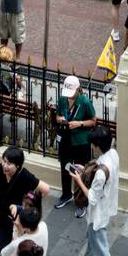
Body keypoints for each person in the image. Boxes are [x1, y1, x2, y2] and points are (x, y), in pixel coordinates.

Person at [0, 147, 50, 256]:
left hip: (18, 222)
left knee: (14, 254)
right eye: (4, 161)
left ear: (18, 166)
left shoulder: (25, 176)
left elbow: (46, 189)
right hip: (2, 216)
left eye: (9, 163)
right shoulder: (0, 169)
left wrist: (24, 207)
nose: (5, 165)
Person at [69, 126, 120, 256]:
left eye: (93, 144)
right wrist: (84, 171)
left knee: (101, 248)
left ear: (97, 146)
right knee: (93, 238)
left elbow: (91, 198)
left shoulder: (100, 173)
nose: (91, 146)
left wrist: (78, 180)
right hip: (107, 207)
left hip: (98, 213)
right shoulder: (113, 155)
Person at [54, 75, 96, 210]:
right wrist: (60, 119)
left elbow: (93, 121)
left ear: (78, 90)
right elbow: (57, 116)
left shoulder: (85, 102)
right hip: (65, 139)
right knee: (65, 167)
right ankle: (66, 194)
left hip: (81, 141)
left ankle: (81, 200)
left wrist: (80, 123)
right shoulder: (62, 100)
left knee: (81, 170)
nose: (69, 96)